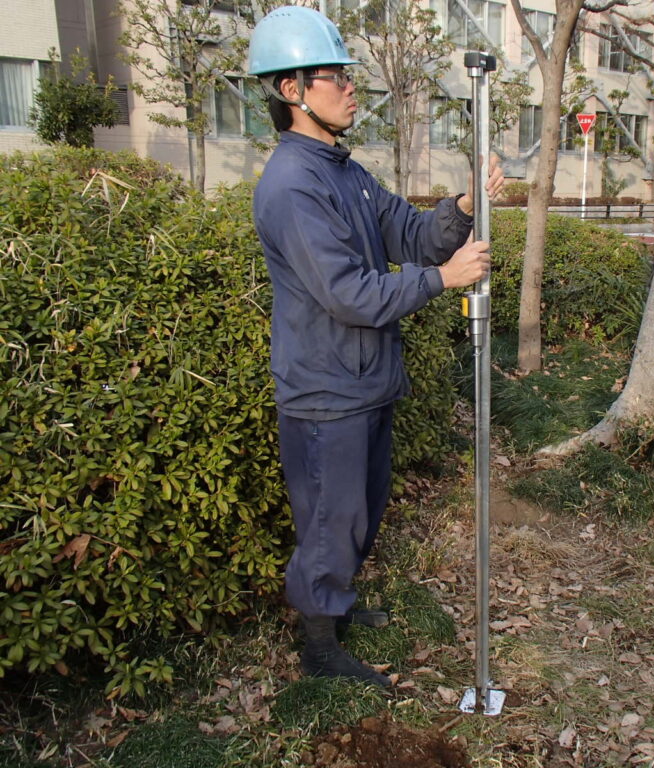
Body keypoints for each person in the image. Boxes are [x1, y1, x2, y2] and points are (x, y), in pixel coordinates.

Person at [247, 5, 503, 686]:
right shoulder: (293, 185)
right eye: (336, 77)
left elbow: (410, 234)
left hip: (362, 380)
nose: (351, 88)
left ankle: (334, 604)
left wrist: (463, 208)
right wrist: (444, 279)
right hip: (325, 390)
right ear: (292, 90)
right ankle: (319, 647)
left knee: (360, 508)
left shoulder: (345, 173)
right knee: (331, 520)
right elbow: (348, 295)